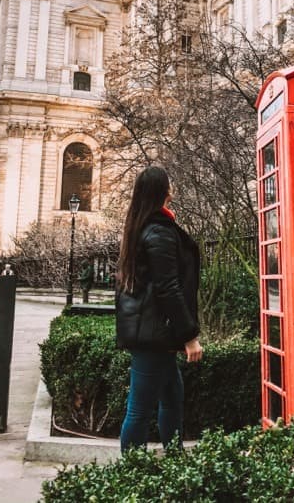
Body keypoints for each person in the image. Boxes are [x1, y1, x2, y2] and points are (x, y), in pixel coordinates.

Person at [116, 165, 202, 452]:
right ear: (162, 190)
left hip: (153, 331)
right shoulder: (158, 231)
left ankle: (175, 459)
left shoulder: (143, 226)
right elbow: (168, 288)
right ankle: (132, 473)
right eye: (169, 182)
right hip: (153, 334)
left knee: (172, 398)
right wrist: (189, 336)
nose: (173, 186)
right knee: (139, 410)